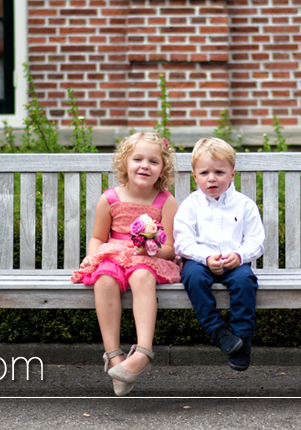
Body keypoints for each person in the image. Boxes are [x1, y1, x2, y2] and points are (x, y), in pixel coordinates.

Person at [71, 132, 181, 396]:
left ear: (162, 169)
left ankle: (143, 352)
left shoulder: (166, 201)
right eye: (138, 159)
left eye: (154, 161)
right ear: (125, 163)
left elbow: (171, 248)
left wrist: (150, 249)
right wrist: (92, 256)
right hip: (114, 255)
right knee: (104, 279)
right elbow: (98, 237)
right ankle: (114, 357)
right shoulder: (109, 198)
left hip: (148, 259)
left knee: (142, 275)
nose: (145, 165)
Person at [173, 137, 265, 372]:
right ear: (195, 176)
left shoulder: (244, 205)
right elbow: (182, 241)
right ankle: (218, 332)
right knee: (193, 277)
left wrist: (240, 256)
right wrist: (205, 258)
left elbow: (256, 240)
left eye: (219, 172)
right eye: (204, 172)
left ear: (232, 174)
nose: (211, 178)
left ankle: (242, 340)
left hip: (233, 262)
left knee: (245, 280)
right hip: (200, 261)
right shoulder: (191, 205)